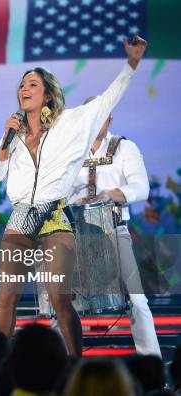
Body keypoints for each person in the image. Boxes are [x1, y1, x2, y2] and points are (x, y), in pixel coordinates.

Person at [0, 35, 147, 356]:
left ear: (47, 93)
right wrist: (6, 142)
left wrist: (131, 64)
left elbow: (106, 100)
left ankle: (73, 364)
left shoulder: (69, 123)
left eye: (32, 84)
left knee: (59, 296)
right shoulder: (14, 132)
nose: (25, 88)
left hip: (53, 215)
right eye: (22, 84)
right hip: (20, 216)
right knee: (7, 297)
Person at [68, 98, 160, 357]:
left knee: (136, 298)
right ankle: (61, 367)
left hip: (114, 230)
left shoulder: (124, 148)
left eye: (101, 114)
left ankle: (152, 365)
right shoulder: (71, 151)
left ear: (110, 119)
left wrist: (110, 194)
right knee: (62, 302)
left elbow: (141, 188)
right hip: (78, 234)